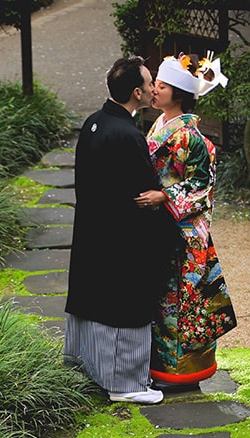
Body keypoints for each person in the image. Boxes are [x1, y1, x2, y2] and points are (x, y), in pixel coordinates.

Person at [64, 55, 179, 405]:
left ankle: (90, 369)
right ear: (135, 92)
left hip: (92, 232)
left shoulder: (94, 123)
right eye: (148, 84)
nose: (151, 89)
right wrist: (168, 227)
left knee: (92, 305)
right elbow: (142, 195)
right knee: (122, 309)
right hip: (121, 241)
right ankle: (125, 384)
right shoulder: (128, 135)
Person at [135, 52, 237, 388]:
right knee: (164, 300)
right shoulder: (161, 123)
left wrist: (163, 195)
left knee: (180, 303)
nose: (154, 90)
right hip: (162, 224)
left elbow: (201, 186)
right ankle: (162, 367)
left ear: (177, 94)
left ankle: (181, 373)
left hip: (182, 231)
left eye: (161, 86)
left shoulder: (191, 137)